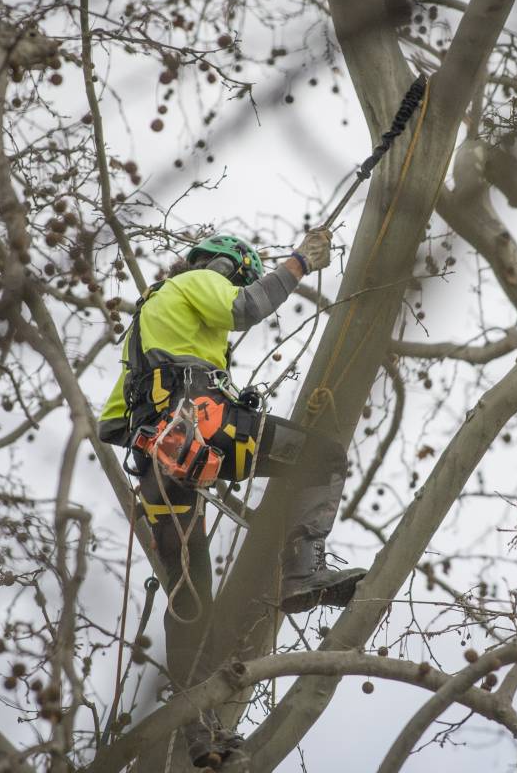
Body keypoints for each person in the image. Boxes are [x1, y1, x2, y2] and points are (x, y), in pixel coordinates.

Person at [98, 230, 366, 767]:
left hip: (161, 468)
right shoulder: (199, 279)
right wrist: (298, 263)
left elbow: (111, 424)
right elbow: (246, 307)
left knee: (189, 600)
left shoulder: (143, 335)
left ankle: (201, 734)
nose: (232, 286)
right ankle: (300, 571)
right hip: (206, 427)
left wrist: (160, 443)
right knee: (324, 459)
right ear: (223, 265)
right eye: (235, 274)